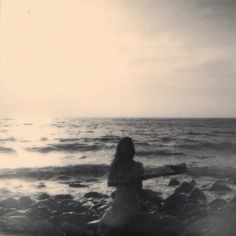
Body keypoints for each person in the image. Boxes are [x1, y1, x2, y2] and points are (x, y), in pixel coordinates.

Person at [98, 137, 144, 236]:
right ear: (120, 149)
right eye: (123, 149)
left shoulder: (137, 165)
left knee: (122, 227)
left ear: (132, 150)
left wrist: (136, 181)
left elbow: (139, 189)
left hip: (132, 201)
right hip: (119, 199)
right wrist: (124, 182)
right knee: (104, 226)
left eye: (128, 149)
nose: (126, 151)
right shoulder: (116, 164)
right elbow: (109, 182)